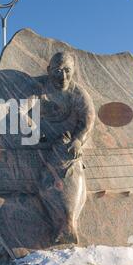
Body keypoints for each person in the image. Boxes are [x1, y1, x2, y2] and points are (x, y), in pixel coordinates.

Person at [38, 51, 95, 245]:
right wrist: (34, 130)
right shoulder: (42, 90)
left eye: (67, 71)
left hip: (70, 146)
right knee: (46, 183)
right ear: (49, 71)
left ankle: (71, 222)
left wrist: (79, 140)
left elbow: (88, 120)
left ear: (74, 71)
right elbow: (23, 110)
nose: (63, 76)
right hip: (49, 146)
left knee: (74, 172)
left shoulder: (78, 93)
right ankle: (62, 224)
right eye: (57, 71)